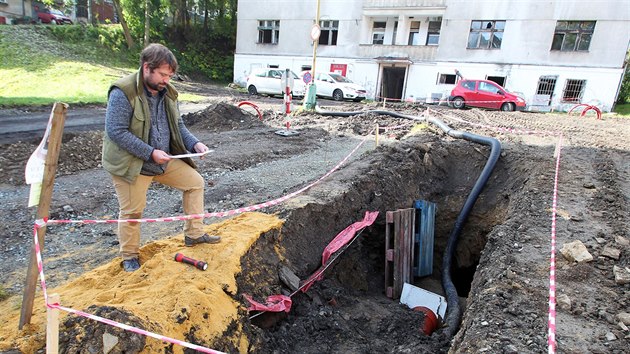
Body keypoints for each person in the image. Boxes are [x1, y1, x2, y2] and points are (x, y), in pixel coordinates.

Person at [102, 43, 220, 272]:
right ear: (147, 68)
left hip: (163, 160)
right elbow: (116, 131)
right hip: (132, 164)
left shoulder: (168, 93)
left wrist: (194, 143)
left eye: (169, 75)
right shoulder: (123, 92)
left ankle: (194, 235)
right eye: (163, 74)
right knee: (132, 212)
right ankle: (129, 256)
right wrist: (149, 152)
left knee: (195, 183)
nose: (167, 80)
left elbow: (178, 124)